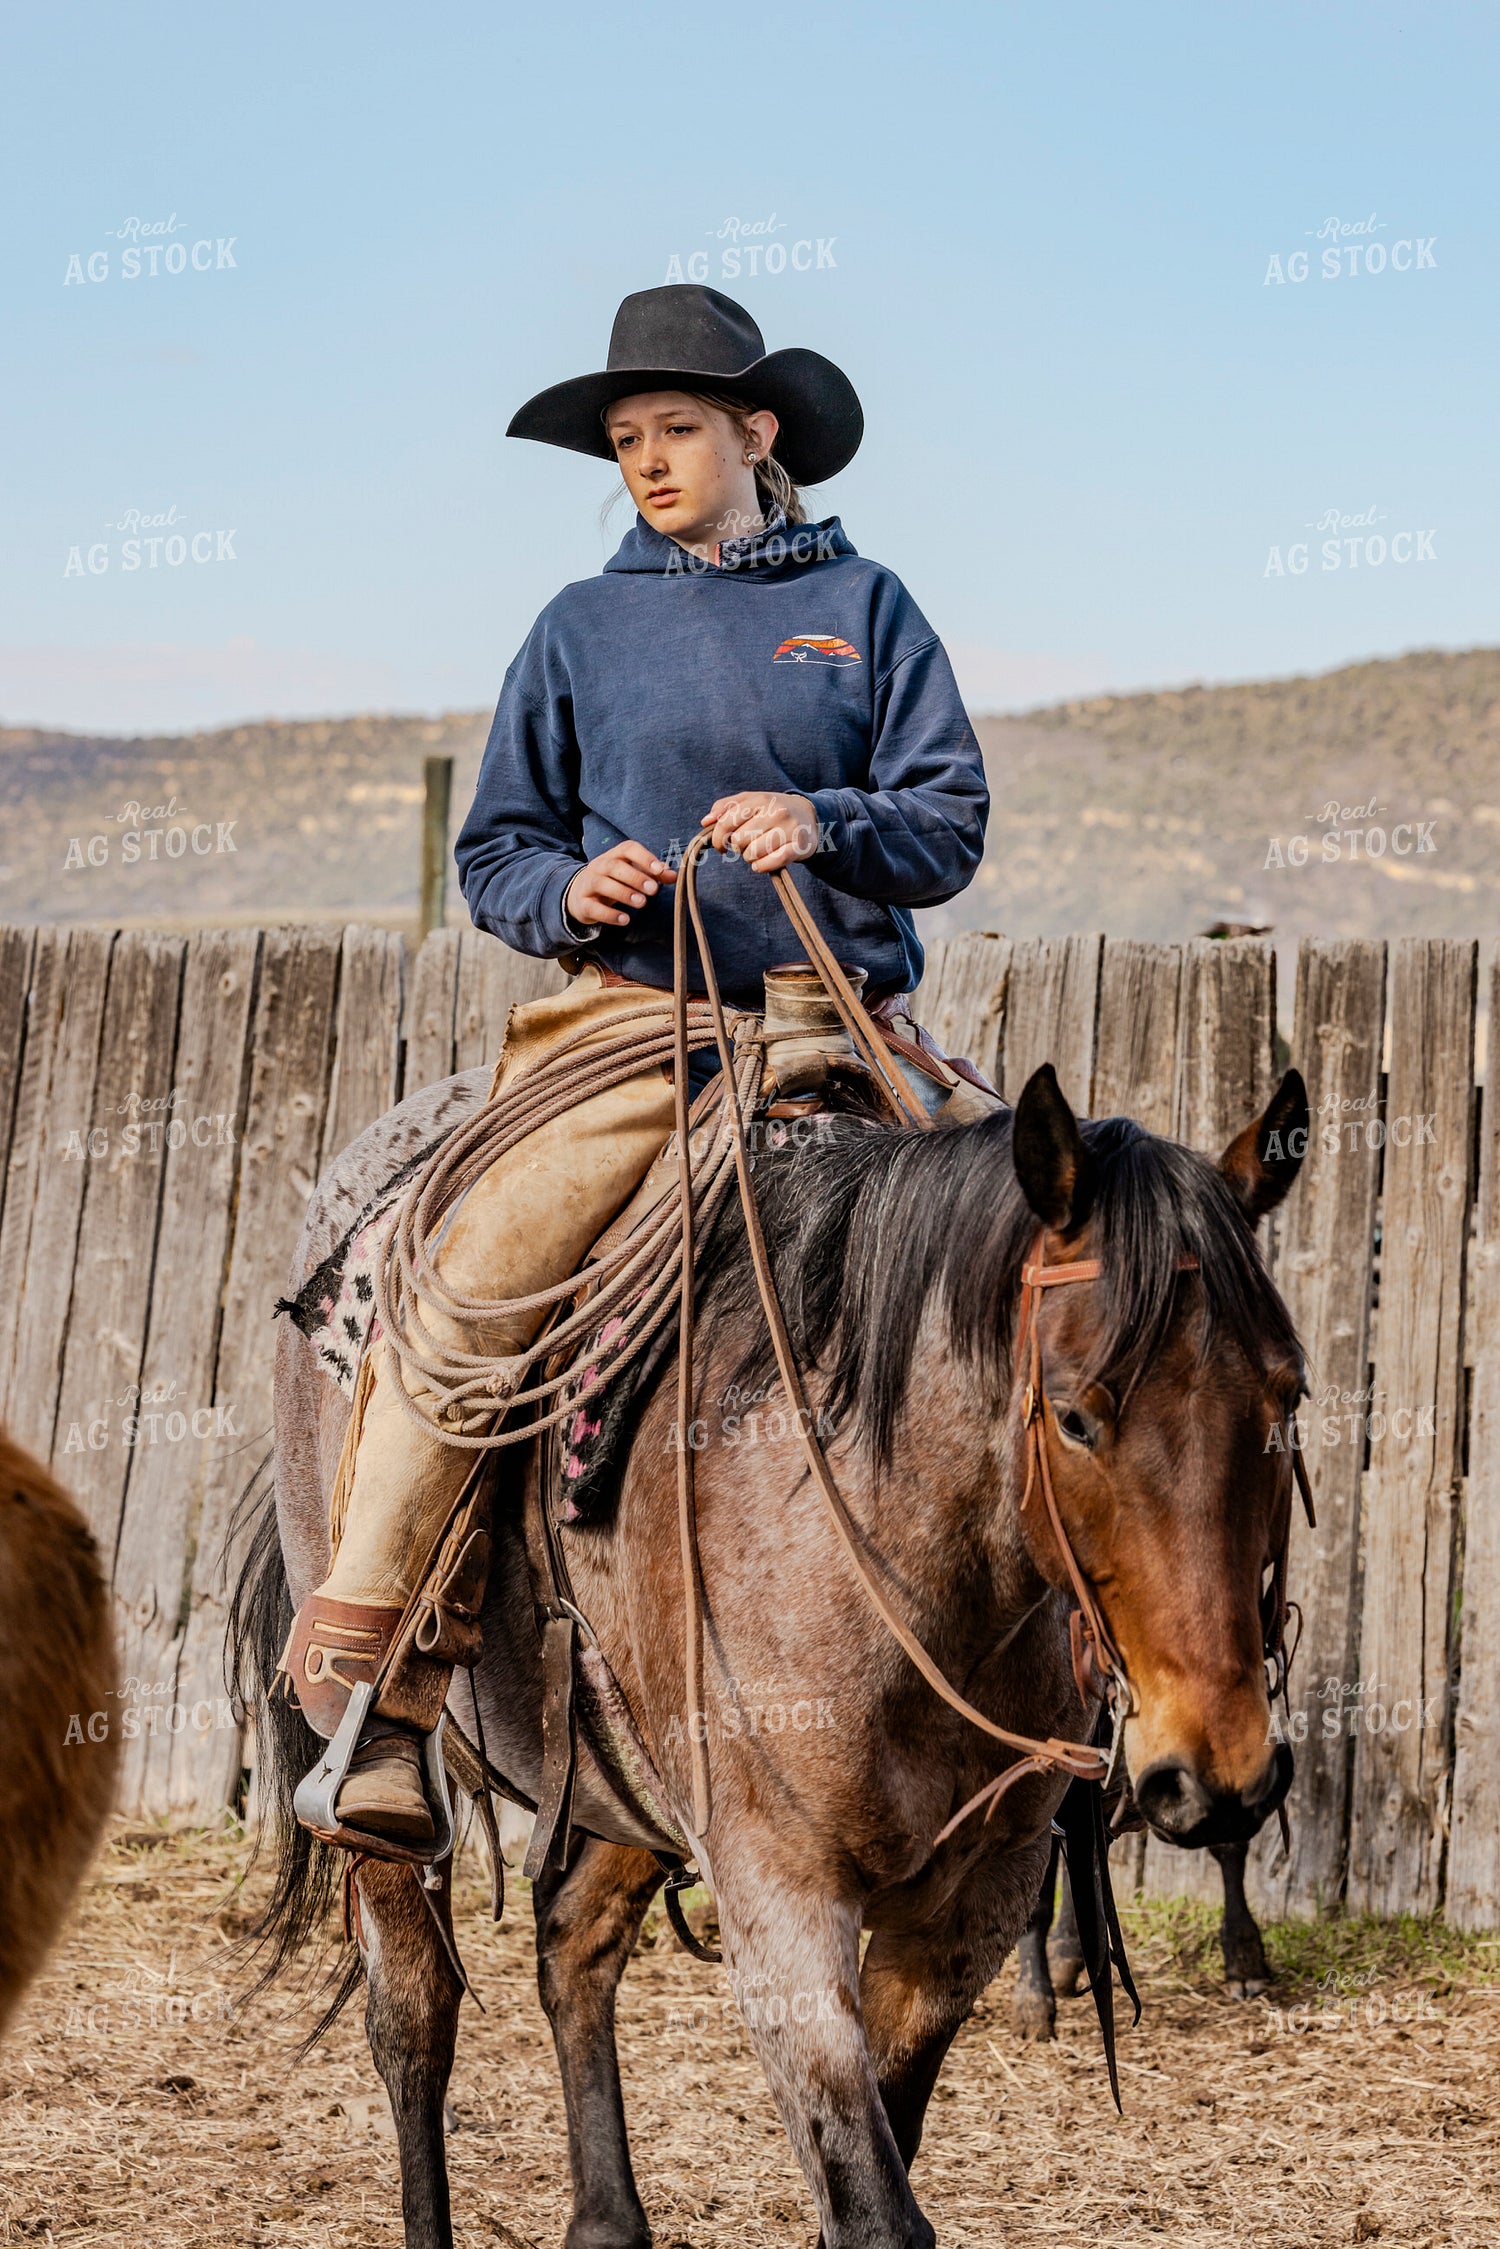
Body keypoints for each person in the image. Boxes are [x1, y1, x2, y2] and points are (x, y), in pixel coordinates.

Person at [281, 283, 991, 1845]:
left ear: (758, 433)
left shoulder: (868, 606)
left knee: (1057, 1263)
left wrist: (828, 821)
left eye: (675, 429)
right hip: (628, 1034)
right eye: (624, 440)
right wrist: (566, 891)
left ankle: (1065, 1715)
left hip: (838, 1025)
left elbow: (948, 820)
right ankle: (384, 1693)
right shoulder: (578, 626)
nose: (648, 461)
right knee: (472, 1278)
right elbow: (499, 853)